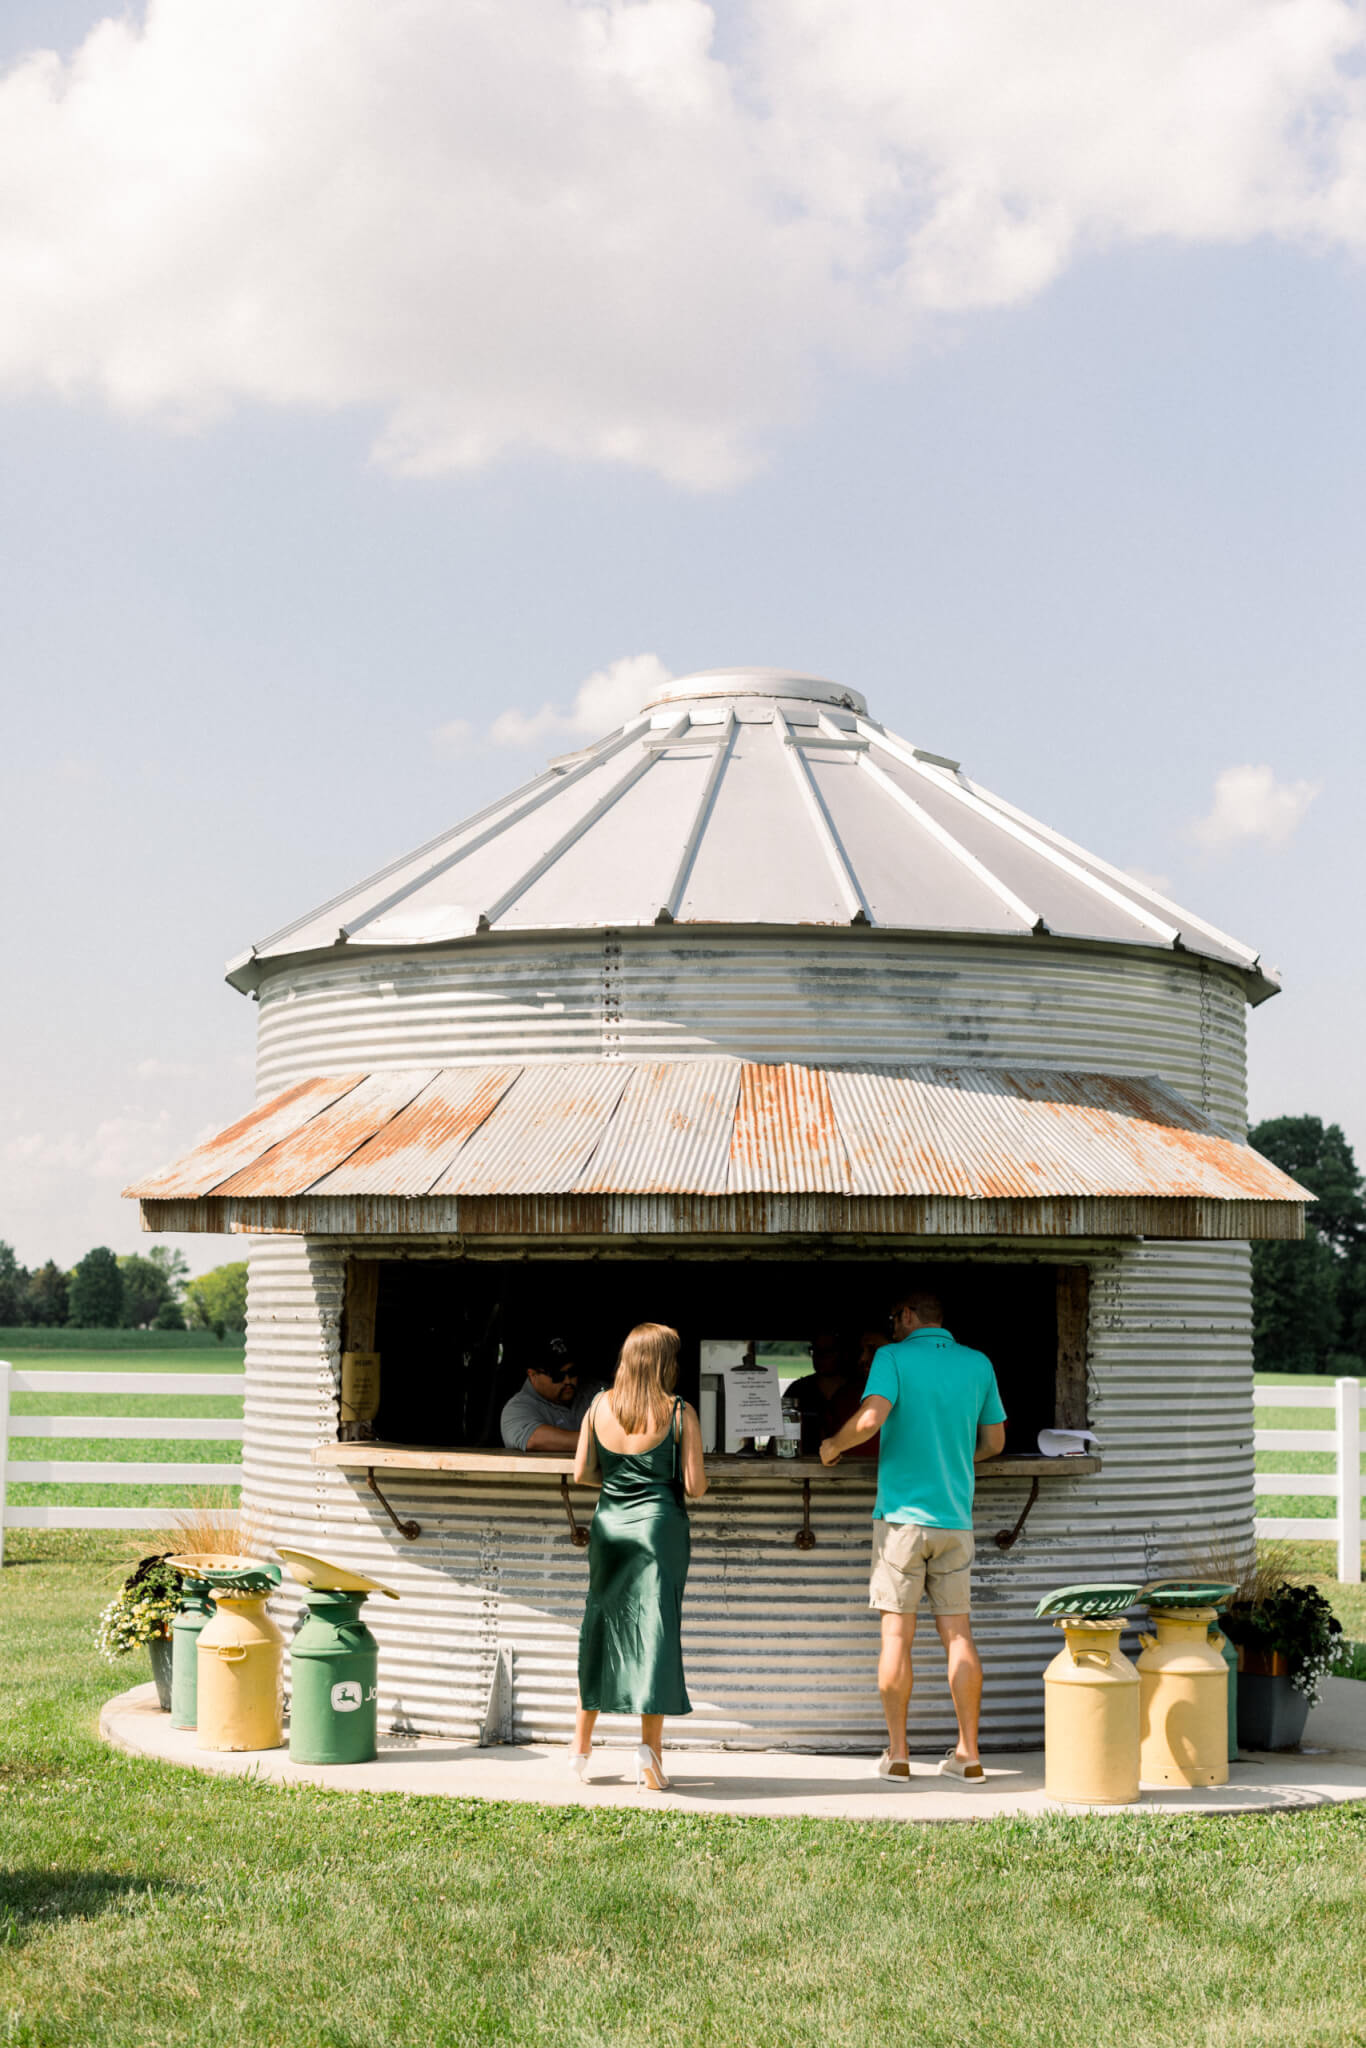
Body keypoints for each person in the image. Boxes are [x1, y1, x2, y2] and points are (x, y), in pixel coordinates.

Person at [819, 1290, 1006, 1785]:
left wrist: (833, 1445)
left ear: (905, 1316)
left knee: (896, 1638)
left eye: (893, 1318)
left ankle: (899, 1755)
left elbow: (870, 1420)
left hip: (901, 1522)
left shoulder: (892, 1357)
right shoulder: (978, 1362)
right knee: (958, 1635)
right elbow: (995, 1442)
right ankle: (969, 1755)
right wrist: (955, 1457)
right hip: (955, 1521)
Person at [570, 1322, 707, 1791]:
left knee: (599, 1626)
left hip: (609, 1527)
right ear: (665, 1363)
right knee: (655, 1634)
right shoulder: (679, 1411)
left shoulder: (598, 1406)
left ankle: (580, 1746)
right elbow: (695, 1485)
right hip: (658, 1530)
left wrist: (618, 1481)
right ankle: (650, 1755)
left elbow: (582, 1472)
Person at [499, 1337, 600, 1453]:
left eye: (572, 1372)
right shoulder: (516, 1408)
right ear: (532, 1374)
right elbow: (534, 1439)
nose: (568, 1381)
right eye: (557, 1376)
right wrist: (605, 1441)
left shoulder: (594, 1390)